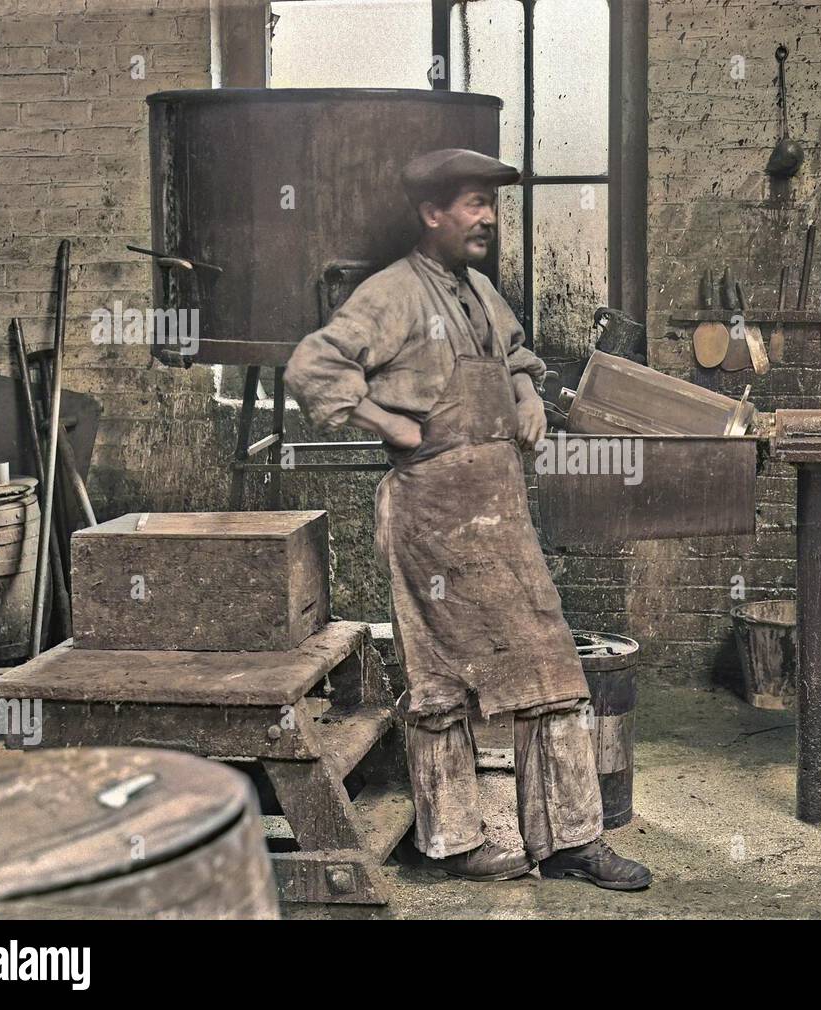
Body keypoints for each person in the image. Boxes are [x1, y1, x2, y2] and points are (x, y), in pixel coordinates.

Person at [284, 148, 652, 891]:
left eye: (491, 204)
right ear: (431, 213)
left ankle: (572, 840)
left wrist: (522, 394)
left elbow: (516, 356)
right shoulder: (390, 295)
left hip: (502, 513)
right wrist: (386, 420)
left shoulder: (479, 290)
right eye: (474, 204)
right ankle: (455, 841)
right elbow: (312, 368)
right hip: (431, 518)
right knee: (442, 685)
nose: (487, 218)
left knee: (553, 671)